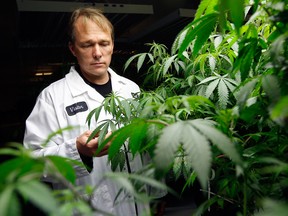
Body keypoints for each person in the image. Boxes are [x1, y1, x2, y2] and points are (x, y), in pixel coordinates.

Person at [23, 6, 149, 216]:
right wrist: (77, 151)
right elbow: (31, 162)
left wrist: (155, 194)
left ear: (112, 45)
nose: (97, 53)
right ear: (73, 49)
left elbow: (145, 152)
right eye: (87, 45)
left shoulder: (131, 89)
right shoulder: (52, 97)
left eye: (104, 43)